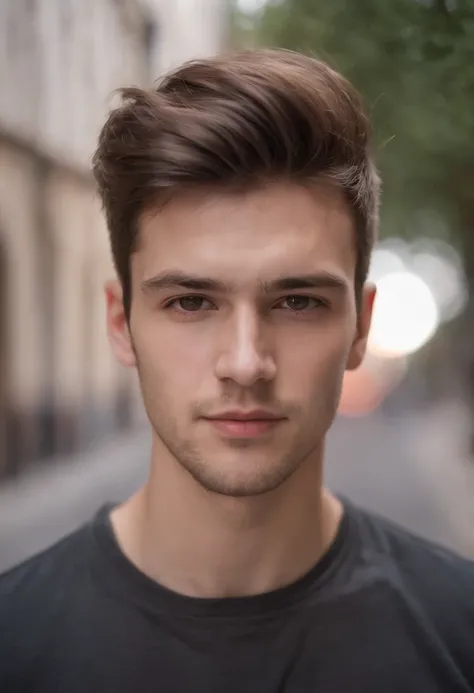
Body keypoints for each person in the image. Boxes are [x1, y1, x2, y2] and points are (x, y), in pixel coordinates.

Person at [0, 48, 473, 693]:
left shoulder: (459, 635)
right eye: (191, 302)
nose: (246, 363)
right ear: (121, 322)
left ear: (360, 326)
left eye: (298, 301)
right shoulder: (15, 641)